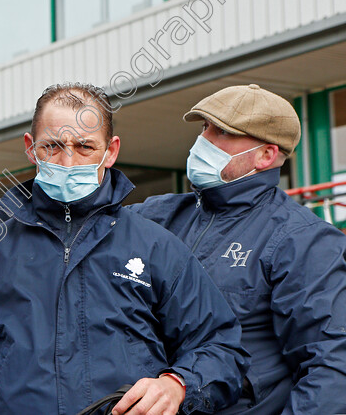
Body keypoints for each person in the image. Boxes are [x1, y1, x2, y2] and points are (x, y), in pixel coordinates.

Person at [0, 83, 249, 414]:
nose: (68, 161)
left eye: (85, 146)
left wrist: (177, 385)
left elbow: (221, 348)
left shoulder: (156, 248)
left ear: (110, 151)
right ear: (31, 149)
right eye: (53, 146)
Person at [128, 85, 346, 414]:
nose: (203, 141)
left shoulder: (303, 240)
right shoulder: (156, 216)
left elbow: (331, 367)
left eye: (223, 132)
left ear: (266, 155)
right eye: (205, 127)